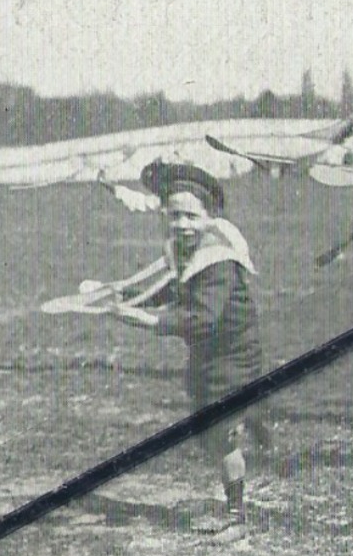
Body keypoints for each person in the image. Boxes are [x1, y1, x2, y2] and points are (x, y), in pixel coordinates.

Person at [110, 160, 270, 536]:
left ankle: (236, 516)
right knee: (212, 430)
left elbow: (201, 318)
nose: (182, 224)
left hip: (233, 355)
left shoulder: (217, 259)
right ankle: (251, 419)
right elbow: (174, 287)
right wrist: (128, 295)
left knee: (219, 434)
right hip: (207, 355)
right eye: (174, 214)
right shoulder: (184, 249)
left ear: (209, 217)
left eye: (191, 216)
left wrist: (147, 320)